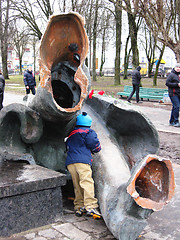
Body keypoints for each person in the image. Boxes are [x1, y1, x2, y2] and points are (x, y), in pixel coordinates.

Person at [65, 112, 102, 219]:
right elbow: (93, 143)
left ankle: (79, 206)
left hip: (71, 163)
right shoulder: (88, 132)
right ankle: (91, 206)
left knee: (77, 185)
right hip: (83, 162)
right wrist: (97, 149)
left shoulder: (72, 133)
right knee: (87, 182)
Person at [166, 63, 180, 127]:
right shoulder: (171, 75)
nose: (178, 69)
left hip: (178, 93)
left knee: (175, 107)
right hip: (173, 93)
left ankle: (171, 121)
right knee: (177, 106)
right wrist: (177, 85)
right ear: (175, 68)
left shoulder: (179, 75)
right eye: (177, 67)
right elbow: (167, 83)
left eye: (179, 68)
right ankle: (176, 121)